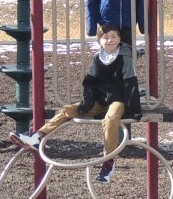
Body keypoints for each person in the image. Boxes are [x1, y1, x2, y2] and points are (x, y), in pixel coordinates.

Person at [9, 24, 141, 183]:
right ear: (100, 40)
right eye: (106, 37)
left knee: (111, 118)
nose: (110, 40)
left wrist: (133, 109)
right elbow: (90, 83)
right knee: (67, 110)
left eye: (114, 36)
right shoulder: (98, 58)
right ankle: (37, 136)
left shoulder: (124, 57)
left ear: (120, 39)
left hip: (117, 99)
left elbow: (130, 83)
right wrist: (87, 102)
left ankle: (109, 161)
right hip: (100, 99)